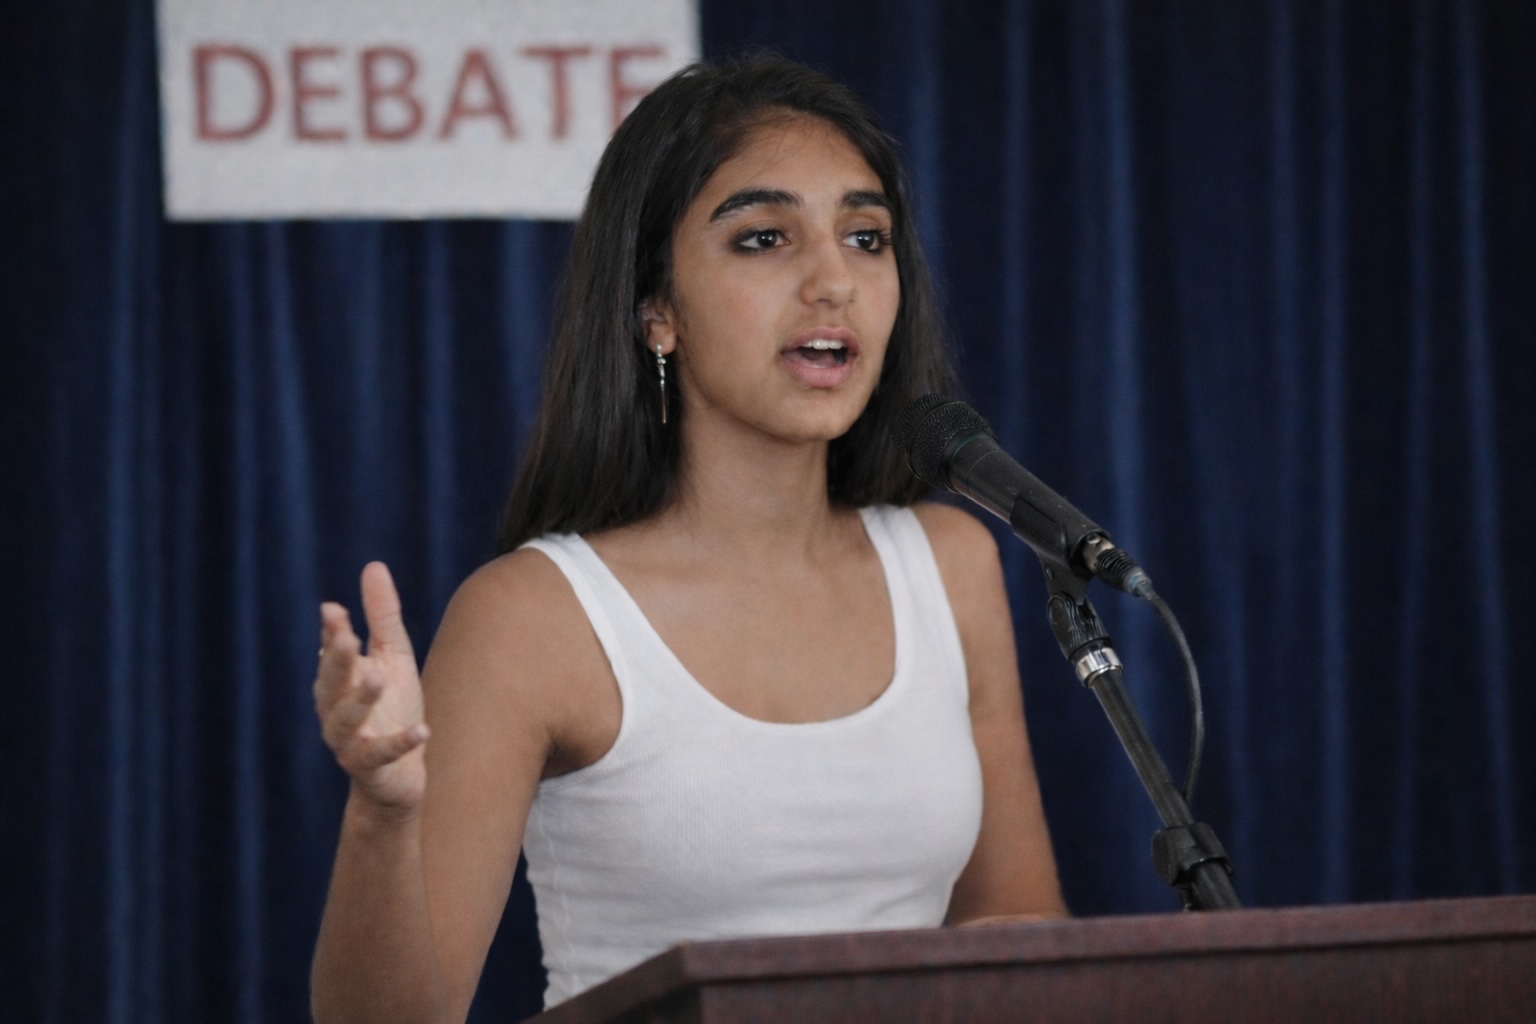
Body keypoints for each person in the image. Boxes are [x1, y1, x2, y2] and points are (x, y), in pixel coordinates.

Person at [310, 54, 1066, 1024]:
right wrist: (384, 808)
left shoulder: (953, 562)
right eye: (764, 238)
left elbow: (1014, 921)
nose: (834, 280)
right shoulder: (534, 615)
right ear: (656, 311)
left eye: (867, 237)